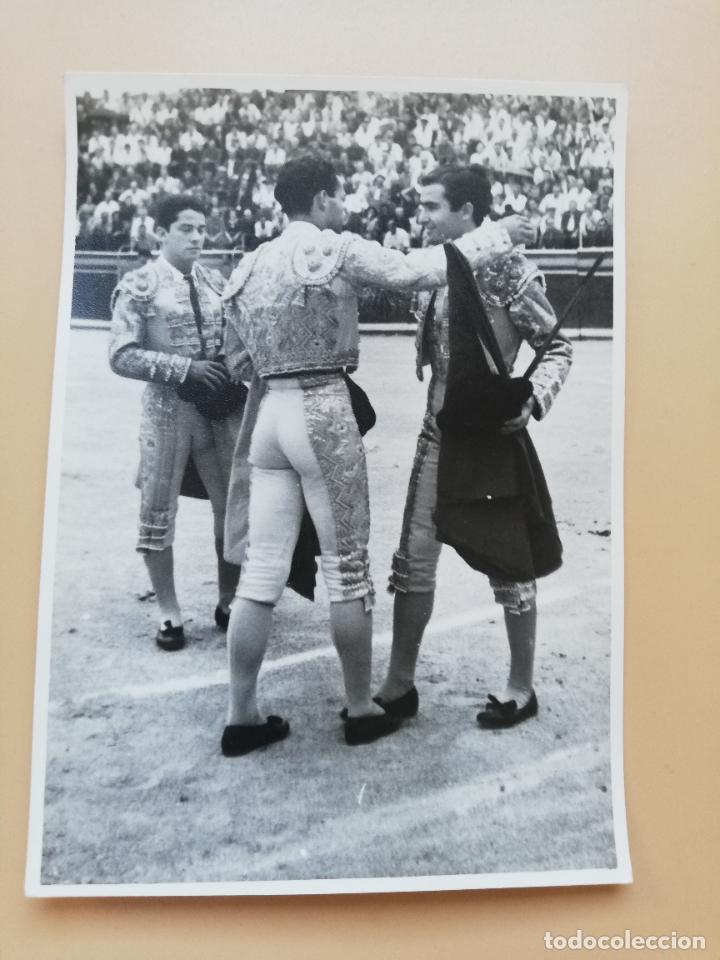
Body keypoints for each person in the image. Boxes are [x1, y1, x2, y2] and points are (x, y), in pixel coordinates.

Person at [219, 155, 535, 757]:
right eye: (338, 198)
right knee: (347, 569)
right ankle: (362, 706)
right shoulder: (334, 250)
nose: (346, 209)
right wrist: (500, 234)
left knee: (261, 570)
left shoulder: (248, 265)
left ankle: (242, 715)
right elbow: (420, 271)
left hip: (267, 420)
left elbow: (238, 365)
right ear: (318, 202)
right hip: (321, 411)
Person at [378, 164, 573, 728]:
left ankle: (520, 685)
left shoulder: (511, 270)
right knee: (412, 559)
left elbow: (556, 348)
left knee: (506, 560)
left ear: (468, 212)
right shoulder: (436, 266)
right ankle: (399, 682)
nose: (421, 218)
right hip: (437, 429)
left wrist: (530, 399)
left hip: (487, 434)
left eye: (432, 207)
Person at [108, 195, 244, 651]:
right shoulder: (140, 285)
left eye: (201, 229)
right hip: (167, 411)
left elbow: (234, 340)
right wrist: (185, 369)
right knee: (158, 510)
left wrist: (227, 366)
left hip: (215, 410)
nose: (196, 237)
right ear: (160, 233)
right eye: (185, 228)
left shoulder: (214, 282)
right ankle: (168, 610)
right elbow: (121, 355)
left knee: (230, 506)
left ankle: (228, 600)